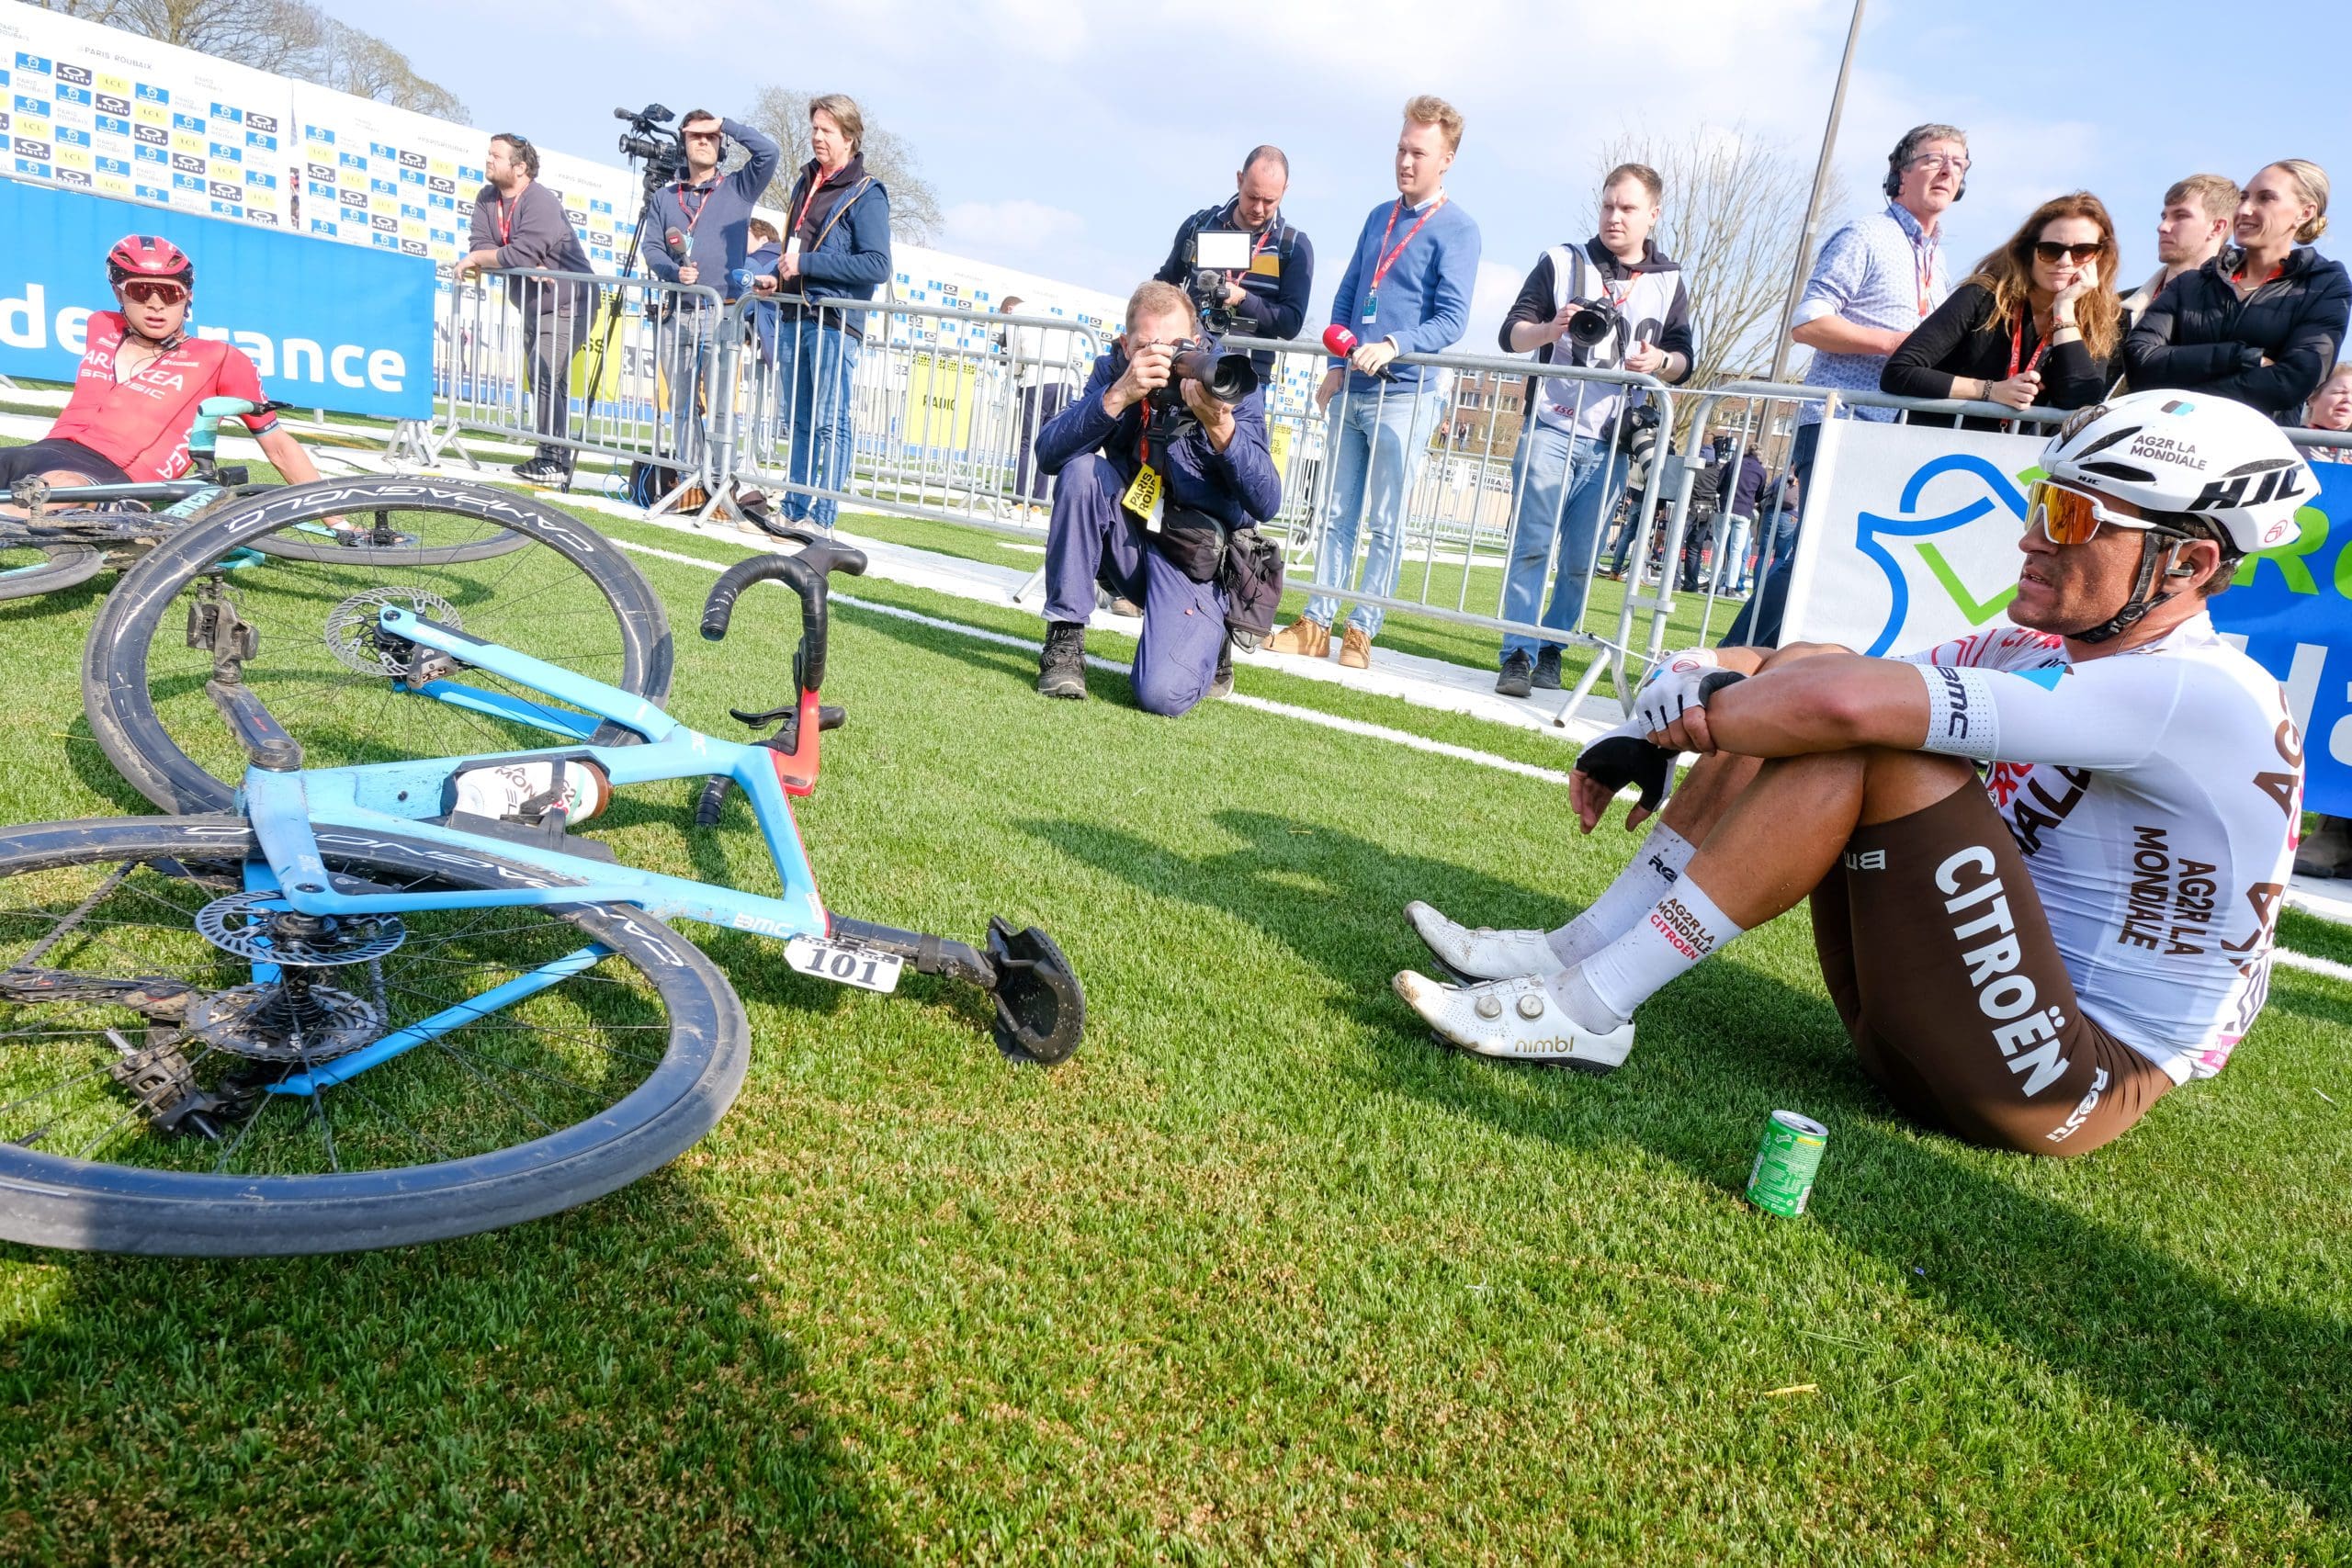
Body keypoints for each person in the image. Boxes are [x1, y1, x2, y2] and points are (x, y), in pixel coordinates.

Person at [1395, 389, 2309, 1159]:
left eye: (2070, 519)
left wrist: (1682, 724)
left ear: (2187, 563)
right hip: (1931, 1024)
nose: (2031, 539)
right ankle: (1579, 950)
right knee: (1820, 675)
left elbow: (1841, 710)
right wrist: (1672, 696)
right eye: (2040, 504)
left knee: (1860, 732)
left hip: (2062, 1082)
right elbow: (1807, 670)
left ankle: (1592, 1006)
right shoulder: (2032, 648)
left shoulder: (2198, 690)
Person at [1729, 123, 1966, 649]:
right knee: (1814, 557)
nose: (1948, 170)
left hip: (1898, 435)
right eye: (1934, 159)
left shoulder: (1939, 259)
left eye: (1959, 163)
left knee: (1850, 568)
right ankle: (1721, 664)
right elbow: (1809, 322)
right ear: (1901, 172)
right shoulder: (1865, 235)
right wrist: (1897, 345)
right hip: (1842, 423)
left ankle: (1783, 675)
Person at [1265, 96, 1480, 671]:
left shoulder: (1459, 229)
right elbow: (1347, 296)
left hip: (1406, 394)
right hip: (1353, 390)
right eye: (1401, 148)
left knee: (1386, 522)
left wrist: (1393, 344)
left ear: (1447, 159)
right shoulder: (1378, 215)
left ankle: (1361, 629)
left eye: (1419, 153)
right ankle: (1317, 623)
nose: (1405, 161)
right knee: (1335, 513)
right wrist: (1337, 362)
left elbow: (1452, 320)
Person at [1490, 164, 1694, 698]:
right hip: (1551, 427)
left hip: (1612, 443)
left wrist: (1660, 361)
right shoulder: (1563, 261)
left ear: (1653, 215)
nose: (1614, 217)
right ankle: (1517, 653)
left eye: (1628, 208)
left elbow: (1684, 360)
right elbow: (1510, 335)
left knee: (1581, 562)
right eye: (1607, 205)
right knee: (1532, 547)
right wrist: (1549, 328)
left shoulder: (1668, 280)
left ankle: (1552, 650)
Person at [1031, 281, 1281, 717]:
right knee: (1082, 471)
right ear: (1125, 346)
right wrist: (1118, 396)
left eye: (1176, 346)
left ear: (1197, 340)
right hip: (1133, 538)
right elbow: (1049, 453)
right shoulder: (1113, 371)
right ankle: (1064, 641)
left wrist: (1222, 430)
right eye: (1147, 347)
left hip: (1196, 560)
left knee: (1161, 695)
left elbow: (1267, 501)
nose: (1163, 359)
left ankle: (1214, 634)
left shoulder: (1229, 381)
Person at [3, 235, 334, 508]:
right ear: (119, 293)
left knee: (56, 488)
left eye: (170, 292)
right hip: (41, 450)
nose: (156, 304)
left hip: (110, 474)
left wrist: (339, 522)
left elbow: (277, 445)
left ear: (188, 296)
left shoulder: (221, 358)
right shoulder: (101, 325)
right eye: (141, 291)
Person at [2124, 160, 2351, 423]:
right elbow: (2139, 362)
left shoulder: (2324, 285)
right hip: (2167, 437)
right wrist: (2241, 357)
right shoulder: (2191, 283)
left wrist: (2186, 399)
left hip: (2254, 444)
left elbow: (2293, 380)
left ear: (2305, 212)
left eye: (2265, 198)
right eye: (2243, 197)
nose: (2244, 209)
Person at [757, 94, 891, 532]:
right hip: (794, 314)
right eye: (814, 128)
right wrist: (778, 279)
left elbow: (877, 265)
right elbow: (795, 249)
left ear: (849, 137)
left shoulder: (867, 193)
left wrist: (807, 265)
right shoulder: (805, 183)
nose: (816, 136)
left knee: (830, 421)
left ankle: (823, 516)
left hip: (834, 322)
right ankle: (794, 509)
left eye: (826, 130)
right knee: (797, 421)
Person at [1881, 191, 2123, 428]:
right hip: (1935, 446)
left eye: (2082, 251)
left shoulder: (2096, 318)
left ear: (2099, 257)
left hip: (2008, 453)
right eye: (2051, 250)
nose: (2065, 261)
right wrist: (1991, 391)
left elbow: (2080, 401)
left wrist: (2064, 308)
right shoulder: (1982, 295)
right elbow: (1899, 372)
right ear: (2029, 251)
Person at [644, 108, 781, 469]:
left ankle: (721, 478)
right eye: (695, 135)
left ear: (721, 144)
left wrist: (725, 124)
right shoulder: (665, 197)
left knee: (721, 407)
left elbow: (769, 152)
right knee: (681, 404)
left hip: (723, 313)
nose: (703, 141)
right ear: (683, 143)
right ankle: (690, 476)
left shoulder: (738, 187)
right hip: (678, 313)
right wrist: (673, 272)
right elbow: (652, 248)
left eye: (711, 137)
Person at [461, 132, 595, 485]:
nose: (488, 160)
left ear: (520, 167)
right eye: (489, 153)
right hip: (534, 305)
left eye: (496, 156)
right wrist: (509, 258)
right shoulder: (487, 198)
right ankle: (556, 457)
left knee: (544, 372)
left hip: (570, 302)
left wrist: (501, 257)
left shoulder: (541, 201)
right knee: (547, 379)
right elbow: (482, 245)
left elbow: (516, 252)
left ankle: (551, 459)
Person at [1153, 146, 1314, 383]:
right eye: (1252, 196)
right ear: (1240, 180)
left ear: (1285, 190)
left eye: (1269, 201)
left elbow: (1291, 324)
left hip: (1247, 380)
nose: (1258, 208)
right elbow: (1165, 282)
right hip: (1189, 368)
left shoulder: (1293, 246)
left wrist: (1242, 298)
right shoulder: (1199, 225)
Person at [2295, 365, 2352, 878]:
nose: (2348, 401)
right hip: (2282, 617)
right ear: (2313, 396)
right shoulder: (2281, 449)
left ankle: (2337, 832)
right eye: (2341, 390)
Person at [2120, 175, 2238, 330]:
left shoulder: (2243, 307)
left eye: (2181, 216)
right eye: (2164, 217)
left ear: (2217, 227)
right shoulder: (2113, 311)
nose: (2162, 227)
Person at [997, 295, 1071, 518]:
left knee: (1028, 443)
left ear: (1009, 308)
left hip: (1037, 381)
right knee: (1047, 444)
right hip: (1064, 381)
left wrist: (1015, 373)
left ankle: (1019, 503)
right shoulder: (1048, 312)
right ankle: (1038, 505)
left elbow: (1015, 357)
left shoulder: (1016, 317)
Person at [1712, 441, 1766, 596]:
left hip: (1726, 507)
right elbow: (1759, 495)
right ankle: (1730, 586)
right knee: (1737, 550)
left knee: (1719, 547)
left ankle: (1714, 583)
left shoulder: (1733, 463)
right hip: (1744, 511)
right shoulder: (1761, 471)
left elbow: (1719, 484)